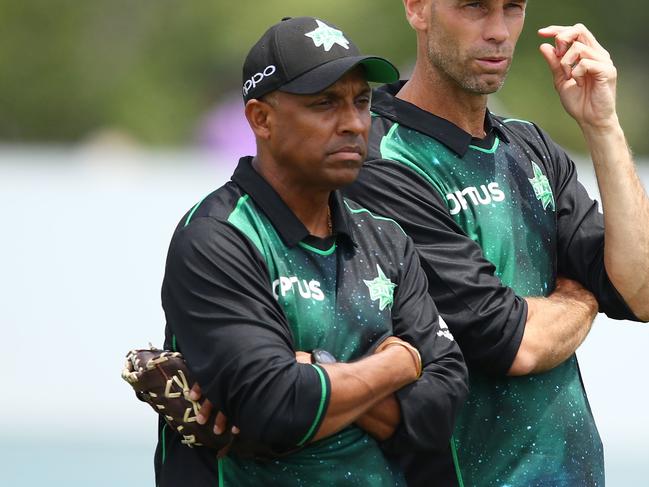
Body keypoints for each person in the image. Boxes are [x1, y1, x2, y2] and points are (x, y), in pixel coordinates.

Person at [344, 1, 649, 486]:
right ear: (418, 9)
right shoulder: (379, 159)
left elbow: (641, 289)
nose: (499, 32)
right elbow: (512, 342)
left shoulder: (529, 145)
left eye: (512, 9)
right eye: (474, 8)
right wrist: (580, 298)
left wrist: (602, 126)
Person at [155, 16, 468, 487]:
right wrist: (398, 363)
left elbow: (441, 412)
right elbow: (275, 408)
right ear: (260, 118)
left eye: (361, 102)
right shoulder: (217, 236)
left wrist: (317, 372)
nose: (353, 124)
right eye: (325, 104)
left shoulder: (387, 238)